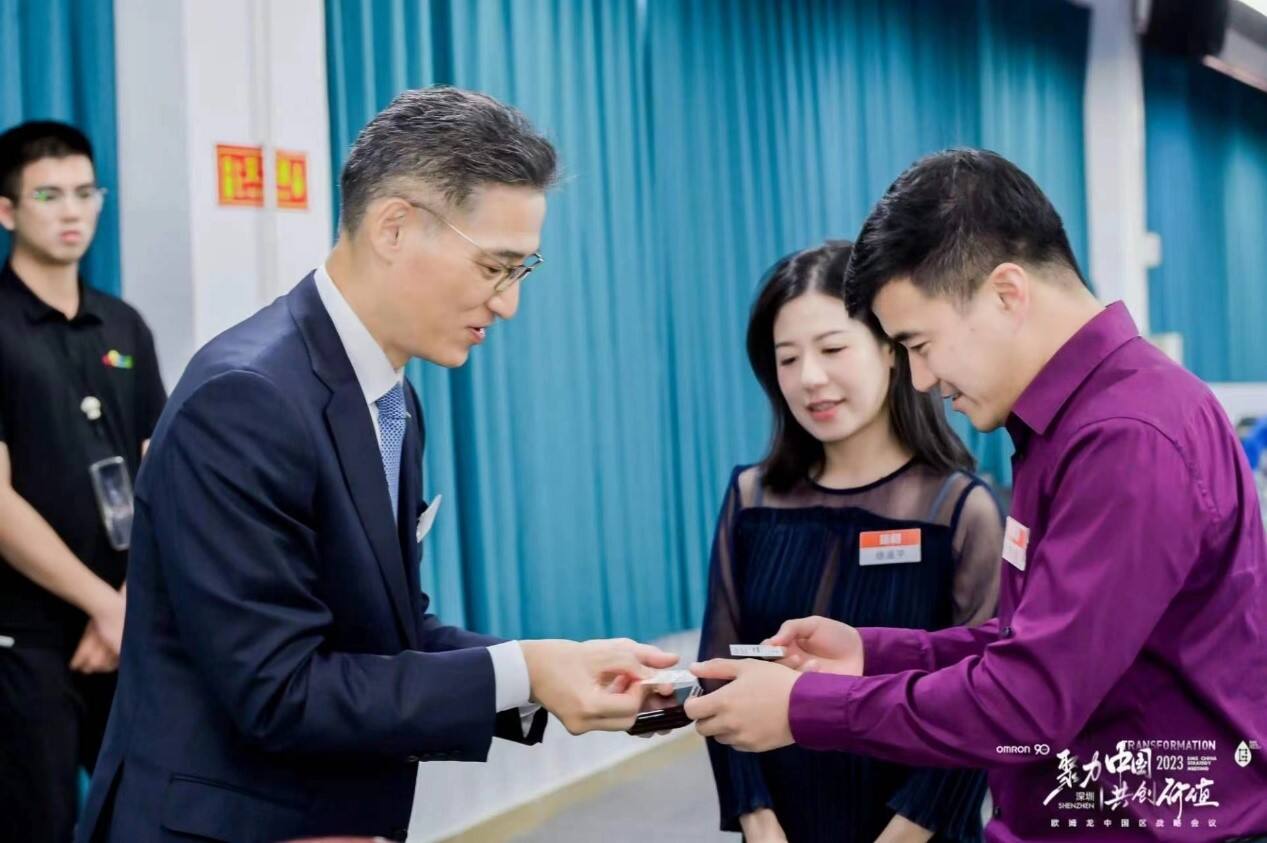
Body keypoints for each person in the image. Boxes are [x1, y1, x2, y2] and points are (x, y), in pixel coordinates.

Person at [77, 87, 676, 843]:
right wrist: (524, 671)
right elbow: (280, 690)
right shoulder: (246, 400)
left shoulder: (387, 395)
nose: (507, 304)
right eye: (495, 267)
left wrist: (557, 671)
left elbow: (385, 632)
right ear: (394, 226)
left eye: (521, 271)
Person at [686, 149, 1267, 841]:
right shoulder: (1068, 427)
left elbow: (1027, 700)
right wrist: (871, 653)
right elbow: (1037, 641)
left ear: (1006, 293)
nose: (921, 379)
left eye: (919, 343)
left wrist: (807, 706)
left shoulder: (1126, 439)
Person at [699, 241, 1001, 843]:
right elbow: (720, 671)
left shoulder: (961, 511)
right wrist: (758, 821)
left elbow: (980, 699)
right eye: (787, 359)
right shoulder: (752, 499)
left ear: (891, 349)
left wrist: (903, 836)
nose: (810, 378)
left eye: (833, 349)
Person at [0, 120, 165, 843]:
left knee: (149, 816)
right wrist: (103, 604)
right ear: (7, 210)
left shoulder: (123, 326)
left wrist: (128, 601)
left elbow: (160, 470)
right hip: (28, 638)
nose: (72, 210)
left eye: (84, 192)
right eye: (48, 195)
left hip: (127, 626)